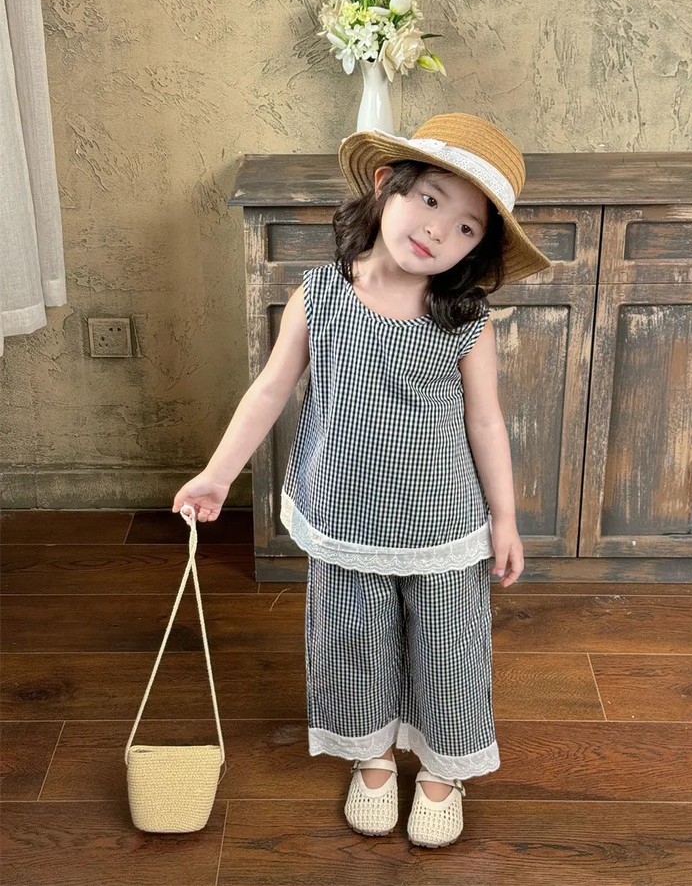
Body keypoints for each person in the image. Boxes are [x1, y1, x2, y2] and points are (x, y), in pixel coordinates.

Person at [172, 111, 552, 848]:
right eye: (431, 200)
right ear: (386, 186)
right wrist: (217, 476)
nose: (439, 230)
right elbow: (270, 390)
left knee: (449, 650)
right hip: (344, 516)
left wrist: (504, 519)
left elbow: (486, 423)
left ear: (477, 250)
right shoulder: (321, 296)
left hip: (442, 525)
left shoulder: (466, 320)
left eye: (466, 228)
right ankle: (371, 757)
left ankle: (441, 770)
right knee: (351, 642)